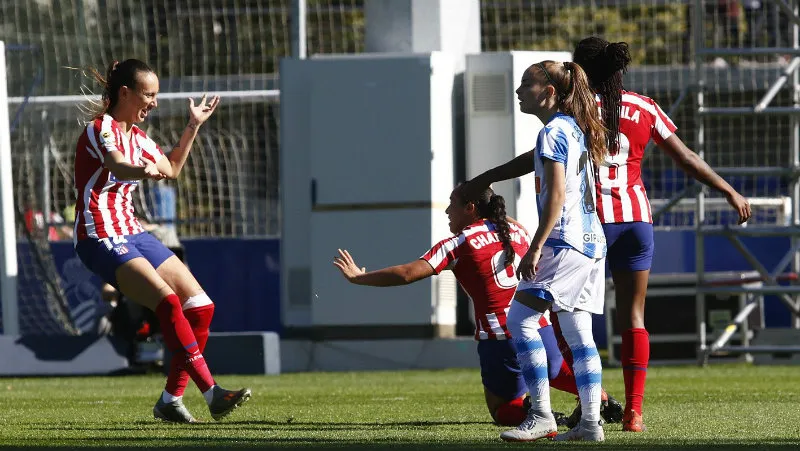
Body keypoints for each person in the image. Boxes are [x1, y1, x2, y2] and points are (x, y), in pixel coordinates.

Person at [468, 38, 752, 433]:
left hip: (585, 224)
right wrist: (728, 190)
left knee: (555, 317)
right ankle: (632, 411)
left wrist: (486, 178)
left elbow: (542, 160)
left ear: (579, 72)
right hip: (636, 220)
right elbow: (685, 157)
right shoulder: (644, 107)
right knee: (631, 316)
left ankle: (568, 407)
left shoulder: (576, 110)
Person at [333, 185, 621, 428]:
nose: (447, 211)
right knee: (552, 370)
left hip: (502, 339)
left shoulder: (460, 242)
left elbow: (408, 273)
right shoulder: (517, 230)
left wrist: (360, 278)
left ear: (470, 208)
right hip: (541, 330)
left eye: (452, 204)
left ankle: (540, 416)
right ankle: (597, 396)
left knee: (500, 409)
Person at [72, 59, 251, 423]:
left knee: (200, 306)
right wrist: (142, 170)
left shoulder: (138, 138)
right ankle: (212, 392)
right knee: (168, 302)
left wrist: (192, 126)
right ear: (125, 93)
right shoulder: (100, 128)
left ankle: (170, 399)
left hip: (133, 232)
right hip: (99, 235)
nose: (154, 103)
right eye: (148, 95)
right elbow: (117, 165)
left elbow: (172, 168)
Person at [483, 60, 608, 443]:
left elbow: (555, 196)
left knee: (520, 320)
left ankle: (541, 415)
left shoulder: (553, 132)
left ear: (550, 92)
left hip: (564, 242)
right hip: (591, 242)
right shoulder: (575, 128)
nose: (519, 91)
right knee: (578, 332)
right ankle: (590, 424)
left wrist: (535, 247)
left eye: (527, 84)